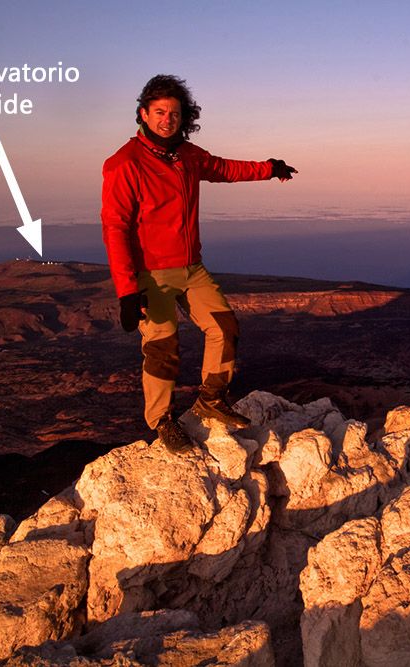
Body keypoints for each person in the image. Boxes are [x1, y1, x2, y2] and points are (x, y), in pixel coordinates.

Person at [101, 74, 296, 452]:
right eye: (159, 112)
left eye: (174, 113)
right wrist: (127, 290)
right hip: (150, 274)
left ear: (183, 117)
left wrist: (269, 168)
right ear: (143, 114)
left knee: (224, 326)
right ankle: (162, 422)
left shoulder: (186, 155)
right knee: (162, 348)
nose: (167, 120)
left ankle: (211, 400)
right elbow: (115, 227)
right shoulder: (124, 164)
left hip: (191, 267)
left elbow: (223, 169)